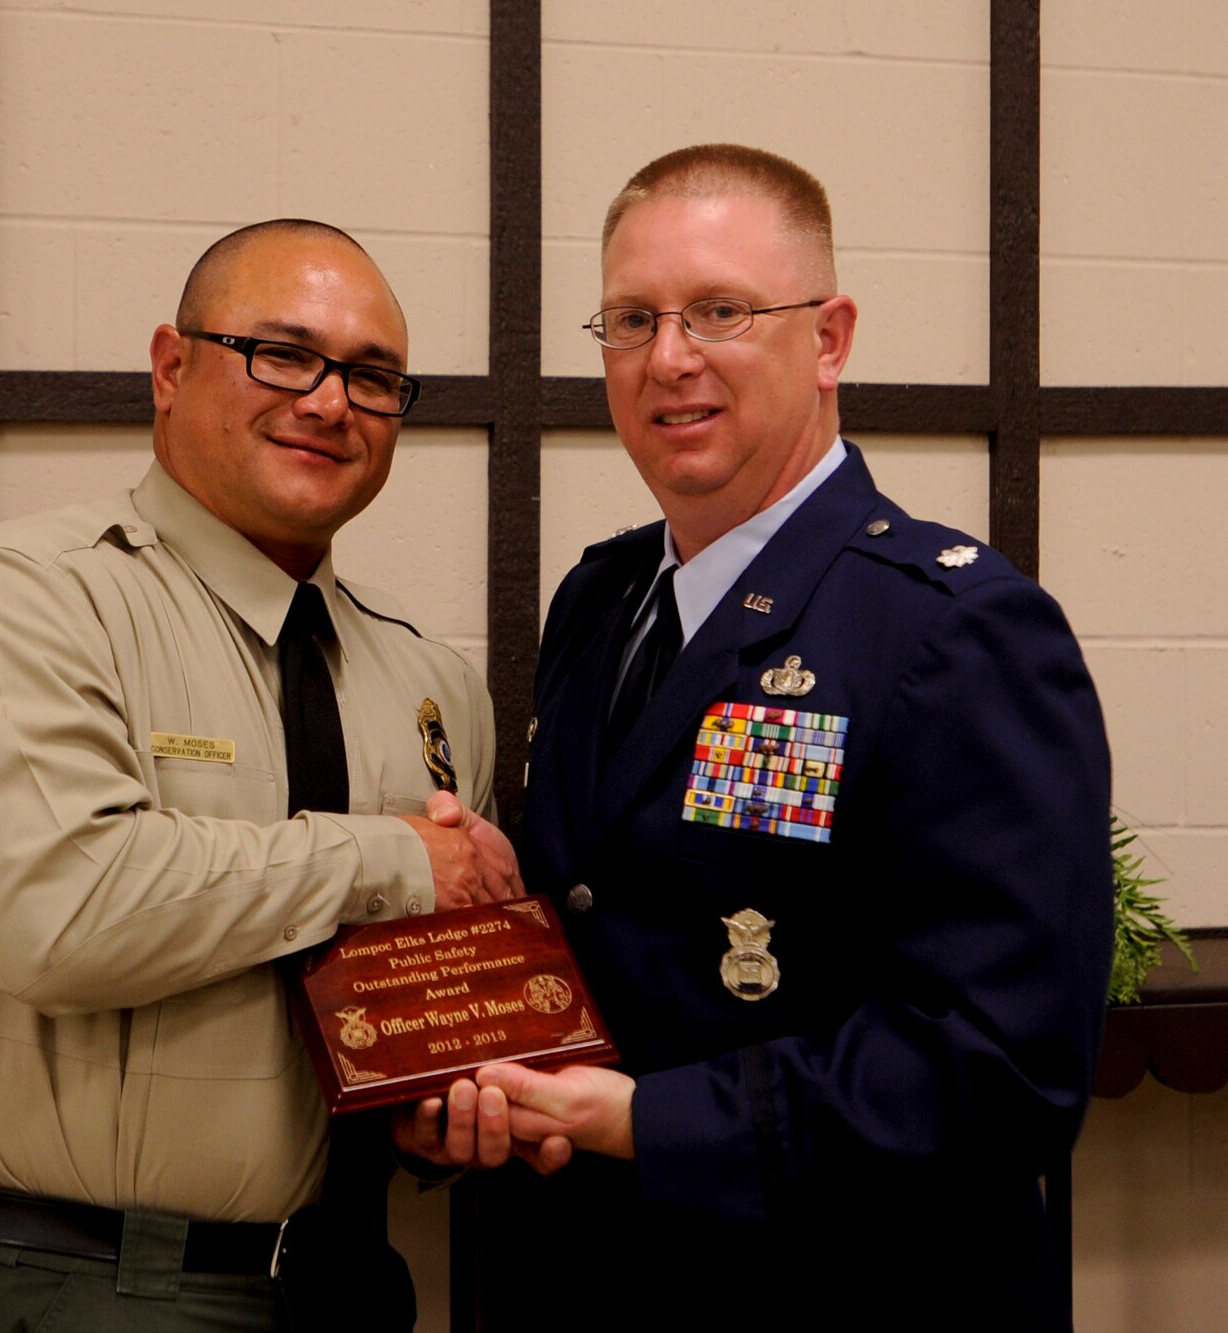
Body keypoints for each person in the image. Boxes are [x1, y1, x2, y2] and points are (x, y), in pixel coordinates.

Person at [466, 145, 1113, 1327]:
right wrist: (473, 1080)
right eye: (629, 319)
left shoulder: (951, 629)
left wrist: (642, 1120)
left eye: (719, 311)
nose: (668, 358)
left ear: (827, 339)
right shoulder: (598, 603)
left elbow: (1004, 1071)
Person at [0, 218, 523, 1331]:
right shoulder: (20, 602)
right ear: (170, 368)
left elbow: (428, 982)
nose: (326, 401)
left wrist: (430, 1105)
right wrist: (396, 855)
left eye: (371, 376)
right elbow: (56, 914)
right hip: (80, 1286)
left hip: (351, 1280)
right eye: (282, 352)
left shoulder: (429, 682)